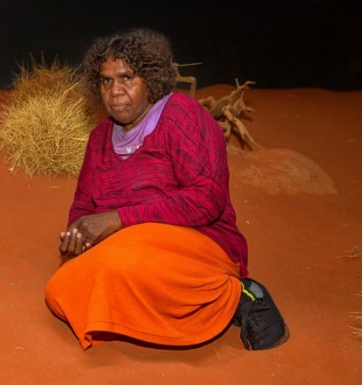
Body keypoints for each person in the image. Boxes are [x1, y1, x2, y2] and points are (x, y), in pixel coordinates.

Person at [44, 27, 288, 351]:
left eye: (127, 78)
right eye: (106, 81)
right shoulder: (99, 138)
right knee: (61, 289)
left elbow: (207, 199)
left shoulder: (181, 116)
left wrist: (118, 219)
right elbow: (83, 208)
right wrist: (78, 236)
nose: (115, 91)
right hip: (128, 249)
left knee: (123, 260)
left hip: (198, 247)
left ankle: (239, 295)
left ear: (151, 79)